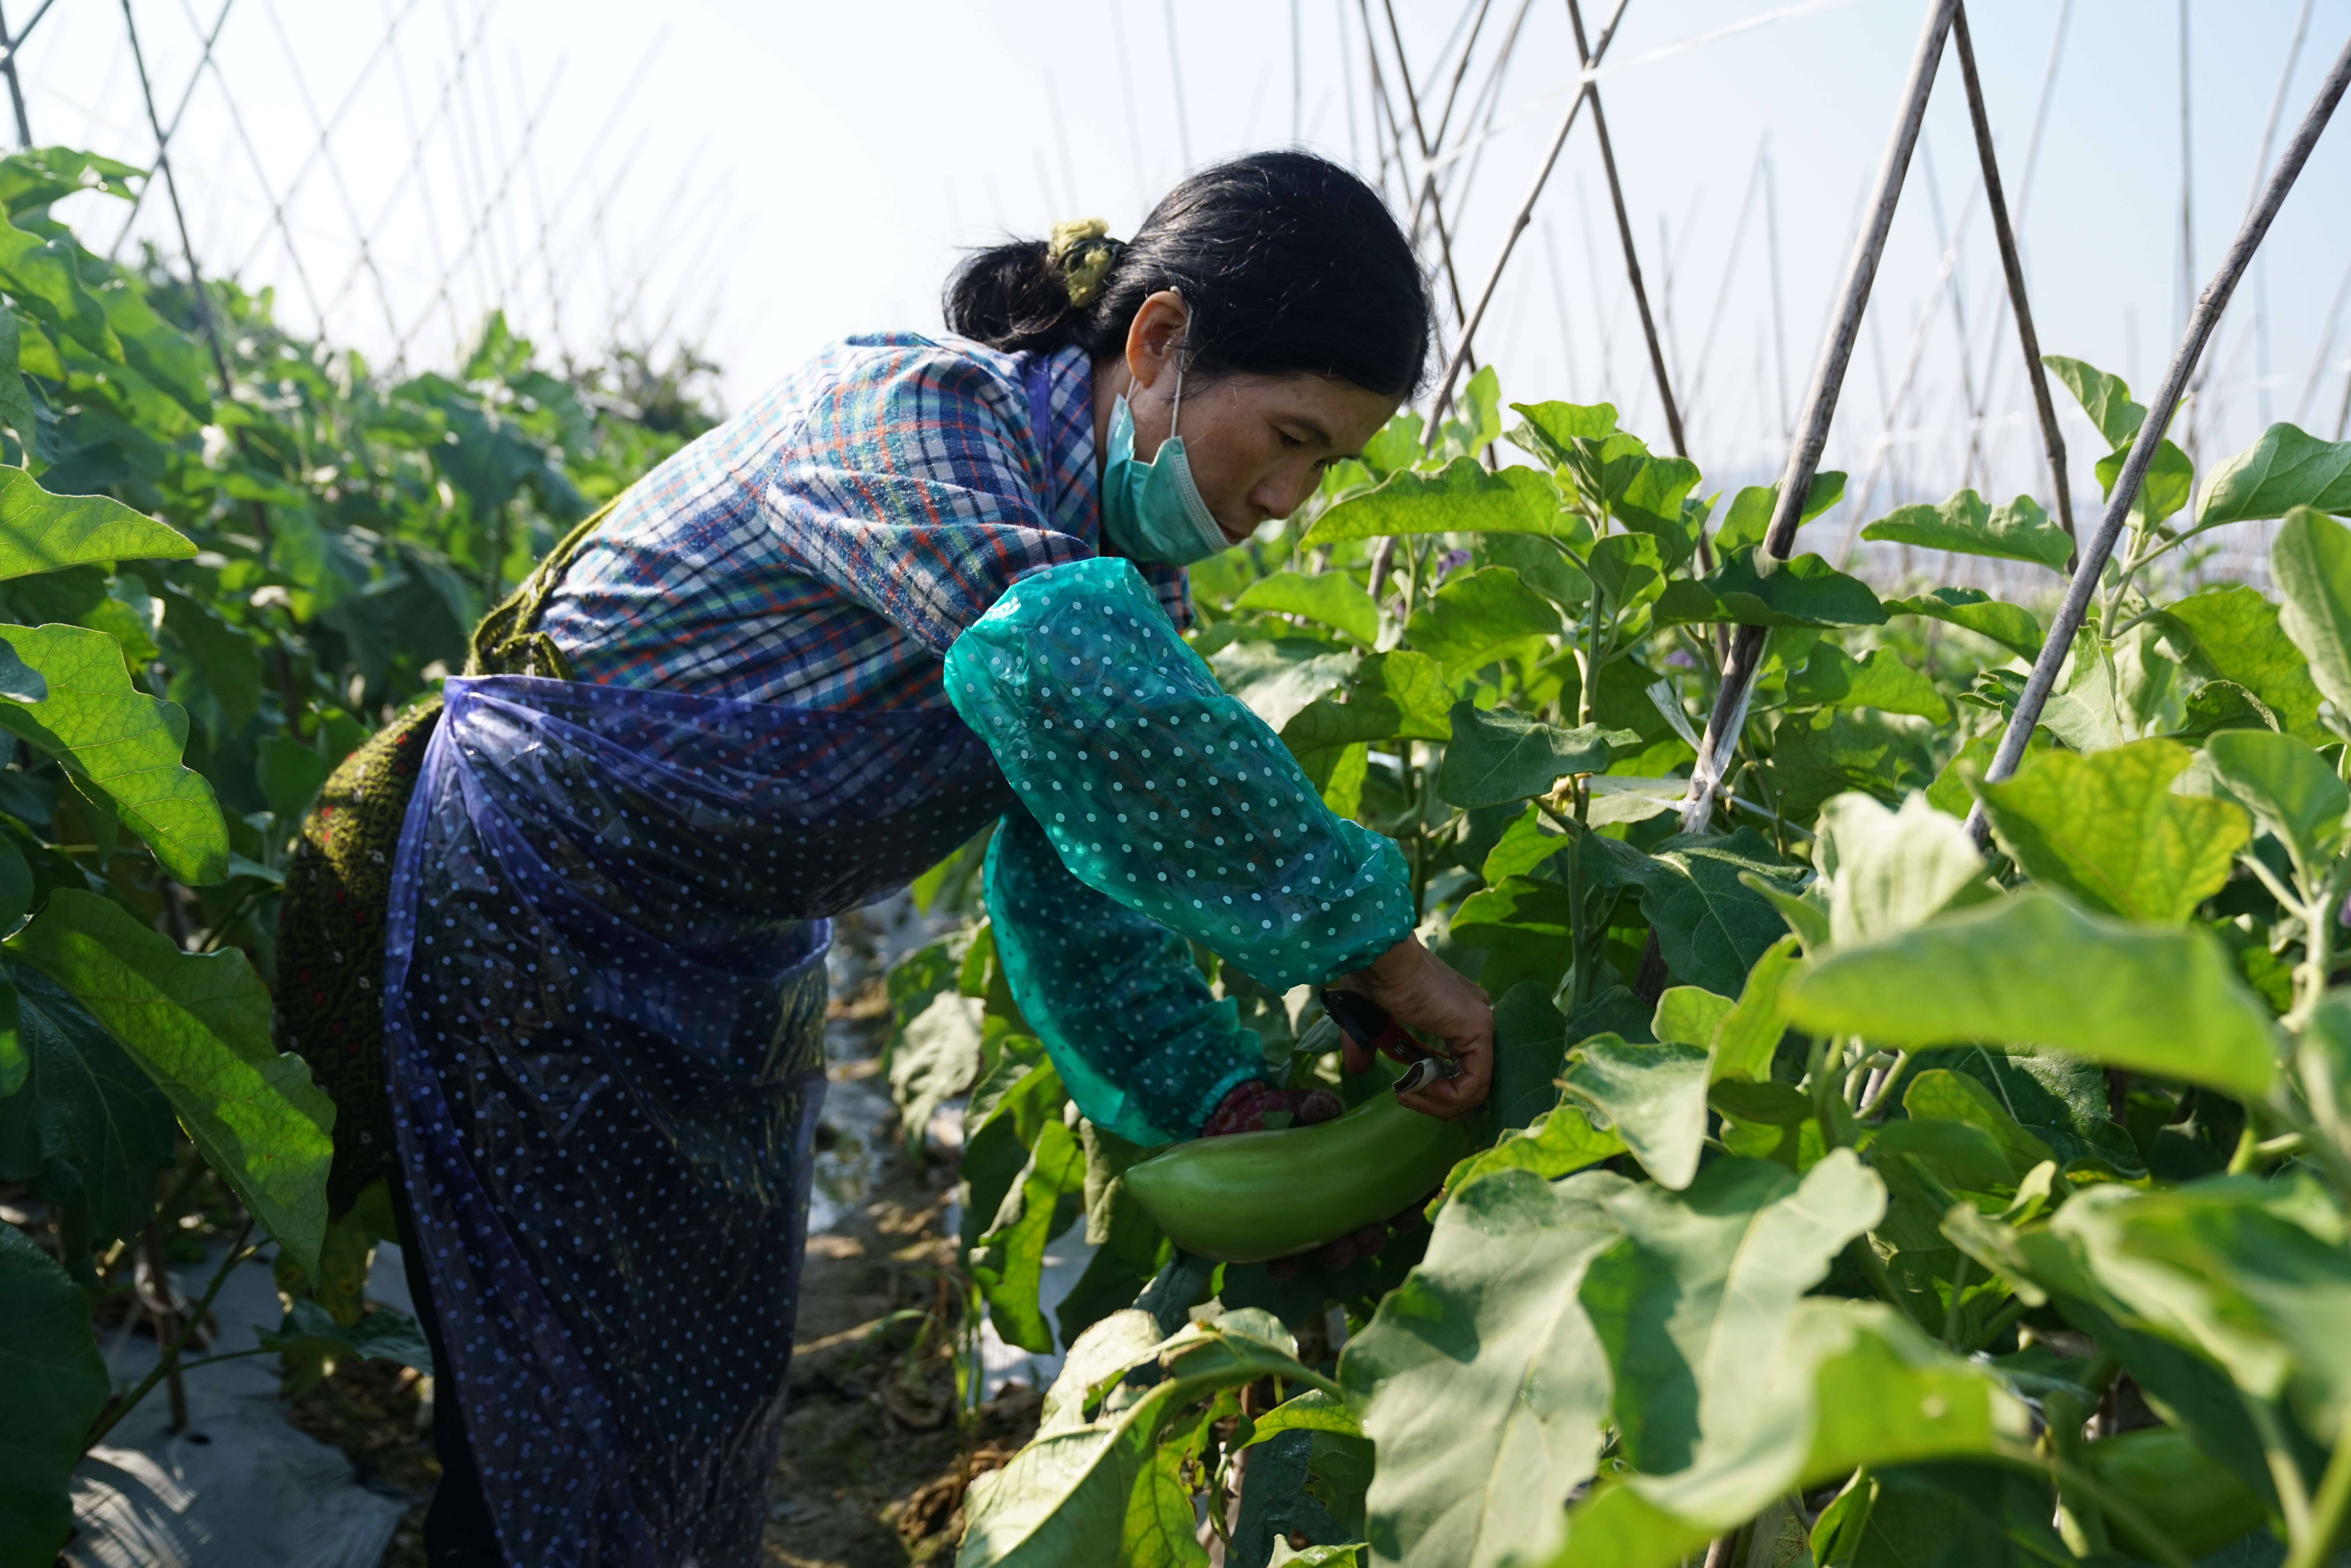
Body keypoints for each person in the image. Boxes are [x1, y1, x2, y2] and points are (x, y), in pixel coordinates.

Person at [281, 148, 1492, 1568]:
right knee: (549, 1394)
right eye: (1287, 435)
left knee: (691, 1379)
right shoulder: (918, 414)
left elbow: (1077, 899)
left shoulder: (1117, 582)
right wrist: (1381, 957)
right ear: (1158, 341)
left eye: (1326, 465)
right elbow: (1067, 677)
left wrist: (1215, 1100)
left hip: (723, 961)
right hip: (534, 915)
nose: (1286, 496)